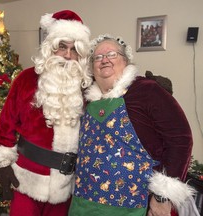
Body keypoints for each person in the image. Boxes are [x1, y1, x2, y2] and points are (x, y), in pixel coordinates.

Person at [68, 34, 194, 216]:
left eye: (111, 54)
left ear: (126, 61)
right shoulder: (86, 101)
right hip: (83, 205)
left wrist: (162, 197)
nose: (104, 60)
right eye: (98, 57)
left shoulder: (147, 90)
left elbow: (181, 140)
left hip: (134, 207)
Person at [0, 10, 92, 216]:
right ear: (50, 47)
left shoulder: (88, 87)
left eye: (74, 50)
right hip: (26, 181)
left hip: (66, 187)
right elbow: (6, 125)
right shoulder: (26, 79)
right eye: (62, 47)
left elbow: (116, 95)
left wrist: (147, 86)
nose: (67, 55)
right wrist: (3, 164)